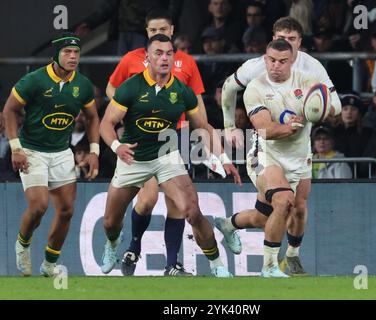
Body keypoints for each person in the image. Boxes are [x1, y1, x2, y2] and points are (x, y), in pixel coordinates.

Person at [99, 34, 240, 278]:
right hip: (133, 158)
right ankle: (113, 243)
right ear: (147, 58)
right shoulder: (131, 87)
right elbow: (106, 124)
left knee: (192, 211)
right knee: (110, 222)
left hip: (167, 156)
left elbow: (203, 127)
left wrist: (224, 159)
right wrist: (116, 146)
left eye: (168, 53)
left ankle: (217, 265)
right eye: (158, 53)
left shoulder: (182, 92)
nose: (164, 58)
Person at [218, 16, 341, 276]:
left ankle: (231, 225)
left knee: (279, 213)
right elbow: (262, 126)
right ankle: (270, 267)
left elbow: (334, 107)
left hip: (299, 154)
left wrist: (318, 111)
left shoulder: (310, 73)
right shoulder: (255, 80)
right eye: (272, 57)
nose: (276, 65)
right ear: (268, 49)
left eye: (283, 58)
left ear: (299, 46)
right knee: (284, 201)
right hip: (266, 153)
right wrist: (230, 126)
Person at [105, 9, 212, 277]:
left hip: (170, 143)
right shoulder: (132, 60)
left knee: (179, 205)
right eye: (152, 31)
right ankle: (132, 244)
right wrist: (129, 109)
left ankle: (172, 264)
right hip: (138, 144)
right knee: (148, 199)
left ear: (172, 31)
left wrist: (207, 137)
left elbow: (196, 102)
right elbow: (111, 91)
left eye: (161, 29)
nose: (157, 34)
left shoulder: (186, 62)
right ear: (147, 36)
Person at [2, 33, 100, 276]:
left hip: (61, 152)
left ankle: (49, 265)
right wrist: (16, 147)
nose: (73, 57)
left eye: (76, 53)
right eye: (67, 52)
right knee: (39, 206)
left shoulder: (83, 85)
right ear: (56, 55)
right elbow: (10, 110)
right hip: (32, 150)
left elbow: (92, 117)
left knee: (66, 210)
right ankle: (23, 244)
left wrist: (94, 151)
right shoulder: (34, 80)